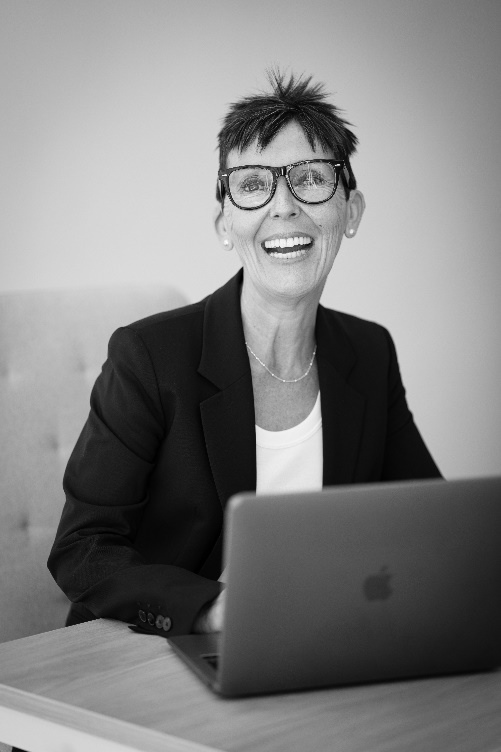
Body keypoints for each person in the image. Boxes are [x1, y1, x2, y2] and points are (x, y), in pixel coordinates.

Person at [48, 70, 441, 638]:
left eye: (311, 178)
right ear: (224, 225)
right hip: (152, 651)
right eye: (254, 184)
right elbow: (83, 547)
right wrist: (209, 610)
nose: (283, 207)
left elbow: (431, 525)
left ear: (351, 212)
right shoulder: (148, 356)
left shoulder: (368, 351)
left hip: (309, 647)